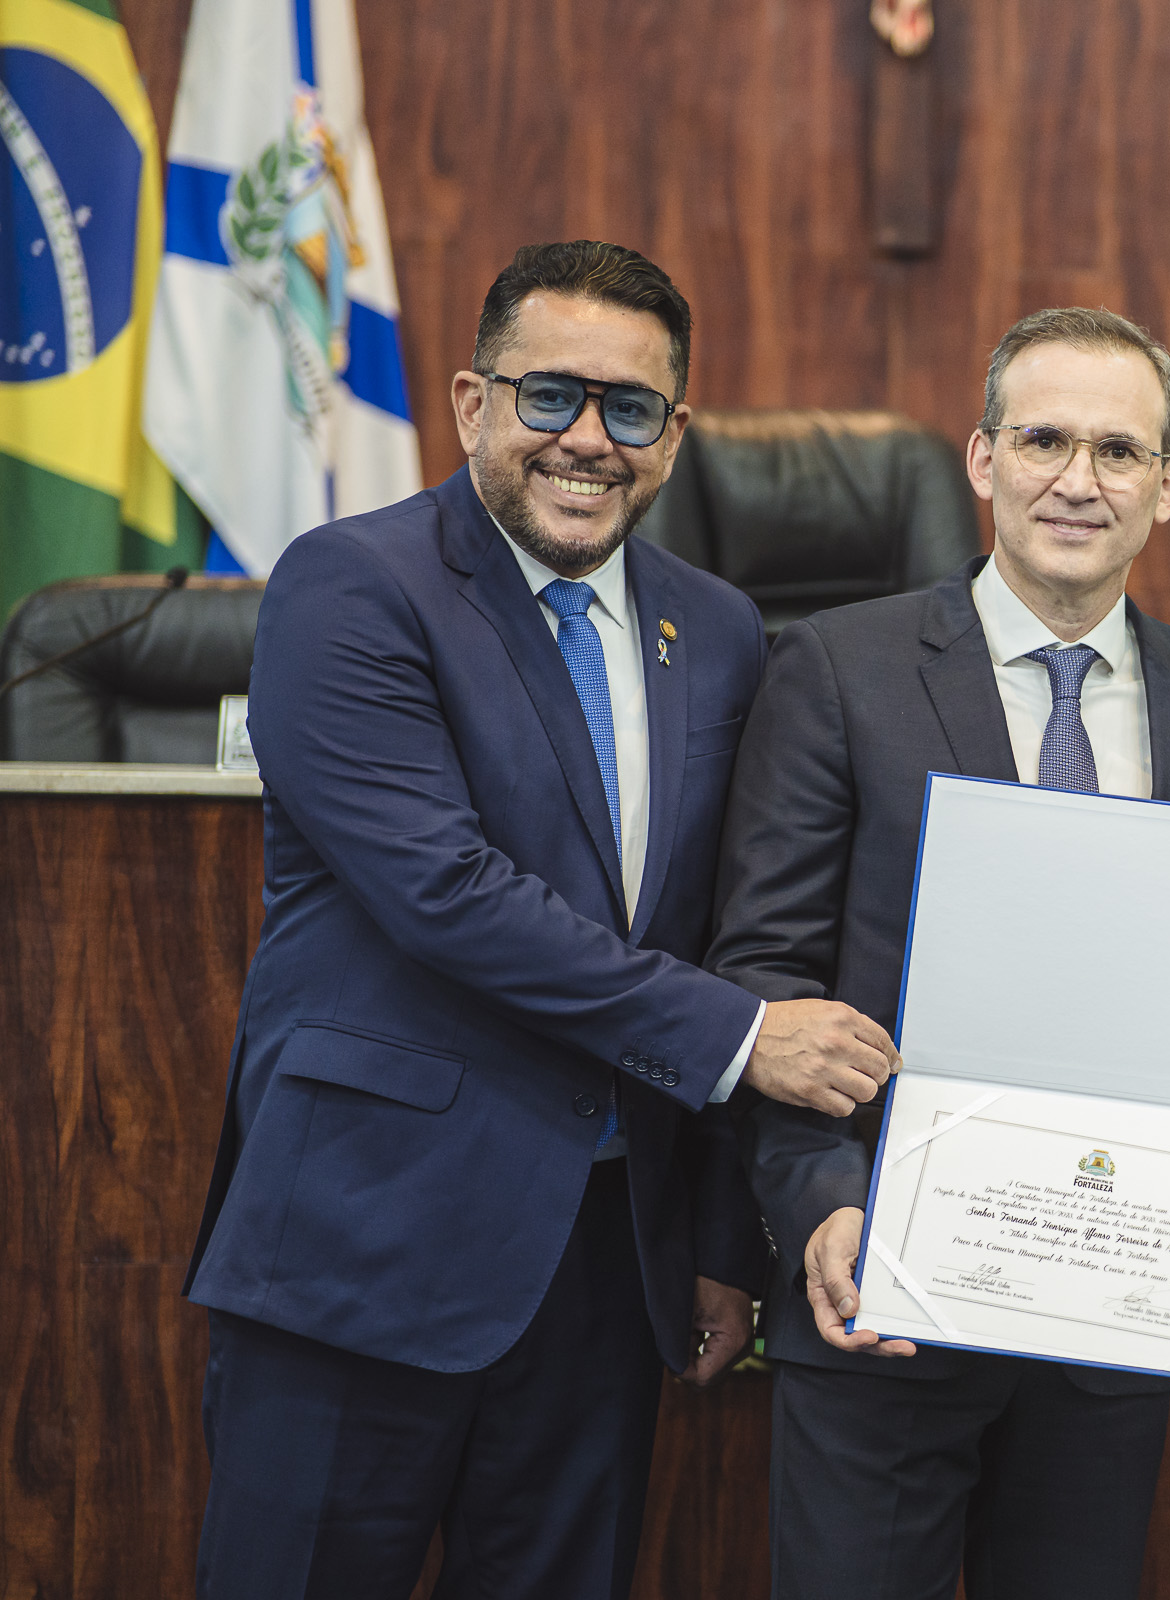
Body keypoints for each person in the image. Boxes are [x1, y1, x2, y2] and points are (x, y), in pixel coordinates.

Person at [185, 241, 883, 1600]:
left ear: (674, 438)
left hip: (602, 1272)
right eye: (547, 394)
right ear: (467, 403)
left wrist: (710, 1240)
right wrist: (745, 1038)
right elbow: (445, 894)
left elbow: (711, 921)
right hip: (364, 1245)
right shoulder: (352, 587)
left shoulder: (724, 631)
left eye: (630, 409)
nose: (585, 440)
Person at [707, 306, 1170, 1600]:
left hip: (1112, 1314)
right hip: (881, 1281)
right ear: (982, 458)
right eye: (1045, 439)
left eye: (1119, 452)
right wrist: (819, 1202)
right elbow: (765, 974)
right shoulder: (839, 670)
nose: (1079, 479)